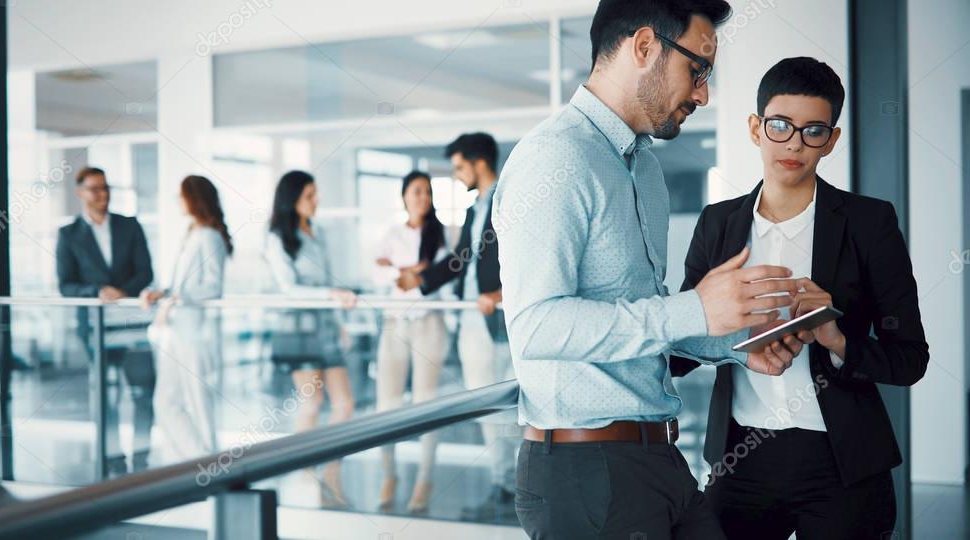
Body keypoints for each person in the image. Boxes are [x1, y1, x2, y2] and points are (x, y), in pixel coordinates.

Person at [492, 1, 816, 538]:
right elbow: (535, 326)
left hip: (656, 457)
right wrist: (695, 307)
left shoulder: (641, 165)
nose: (703, 94)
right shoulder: (556, 159)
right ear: (644, 47)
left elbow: (643, 319)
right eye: (698, 70)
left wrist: (735, 342)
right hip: (588, 472)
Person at [670, 57, 929, 540]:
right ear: (756, 128)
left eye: (813, 131)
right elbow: (682, 350)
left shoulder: (870, 223)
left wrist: (836, 337)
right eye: (780, 125)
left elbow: (910, 359)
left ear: (831, 140)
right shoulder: (717, 224)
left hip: (844, 463)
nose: (794, 143)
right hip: (740, 458)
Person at [396, 133, 518, 522]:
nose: (456, 175)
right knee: (484, 404)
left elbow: (527, 251)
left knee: (506, 405)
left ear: (479, 163)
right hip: (469, 317)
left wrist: (502, 293)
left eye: (459, 167)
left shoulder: (509, 198)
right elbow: (461, 259)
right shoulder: (473, 208)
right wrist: (422, 281)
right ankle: (502, 485)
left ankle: (515, 488)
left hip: (494, 316)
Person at [264, 170, 357, 509]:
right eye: (309, 195)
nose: (316, 201)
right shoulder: (276, 237)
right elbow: (289, 289)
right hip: (297, 329)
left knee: (344, 403)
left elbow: (330, 280)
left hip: (325, 326)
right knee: (313, 402)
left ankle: (330, 468)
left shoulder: (318, 233)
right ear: (292, 200)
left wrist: (339, 321)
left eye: (316, 194)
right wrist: (331, 295)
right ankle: (305, 473)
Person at [56, 165, 155, 476]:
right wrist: (97, 291)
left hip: (132, 325)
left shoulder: (130, 226)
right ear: (80, 193)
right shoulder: (68, 235)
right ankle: (113, 459)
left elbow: (146, 271)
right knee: (106, 397)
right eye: (95, 189)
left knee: (143, 393)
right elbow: (66, 284)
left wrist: (123, 292)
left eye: (106, 188)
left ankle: (142, 458)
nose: (103, 195)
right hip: (96, 326)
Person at [373, 171, 451, 514]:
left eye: (428, 192)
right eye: (417, 191)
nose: (423, 197)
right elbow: (377, 273)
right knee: (386, 402)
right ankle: (387, 476)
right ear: (404, 195)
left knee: (425, 402)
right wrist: (409, 272)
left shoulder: (441, 236)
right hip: (395, 325)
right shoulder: (391, 233)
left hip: (429, 325)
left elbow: (444, 279)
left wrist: (409, 276)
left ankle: (425, 479)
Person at [141, 175, 232, 462]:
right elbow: (181, 283)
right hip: (175, 329)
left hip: (195, 332)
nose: (177, 201)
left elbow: (213, 286)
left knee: (199, 403)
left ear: (194, 198)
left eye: (181, 195)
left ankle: (209, 465)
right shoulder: (191, 233)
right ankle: (198, 461)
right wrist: (164, 292)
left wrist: (178, 295)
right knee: (166, 402)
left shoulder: (209, 235)